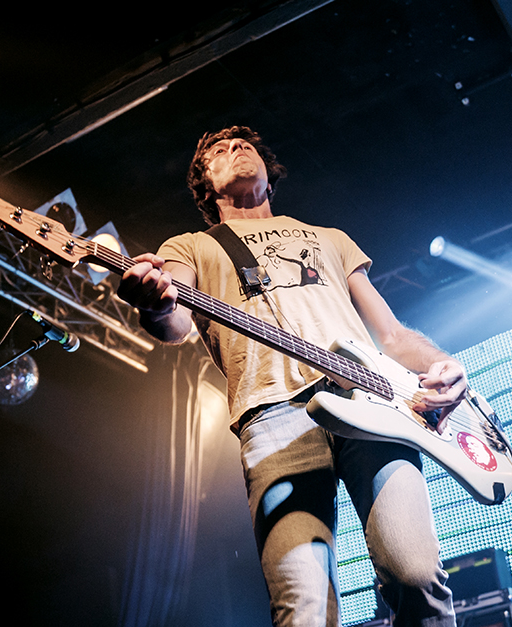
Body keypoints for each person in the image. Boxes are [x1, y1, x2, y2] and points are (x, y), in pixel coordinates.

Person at [118, 126, 465, 627]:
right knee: (303, 607)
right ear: (205, 186)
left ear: (269, 170)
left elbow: (391, 334)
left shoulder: (331, 238)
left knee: (416, 574)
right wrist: (153, 304)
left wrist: (443, 363)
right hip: (273, 417)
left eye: (245, 146)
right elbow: (174, 325)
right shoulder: (190, 246)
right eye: (220, 151)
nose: (237, 150)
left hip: (372, 404)